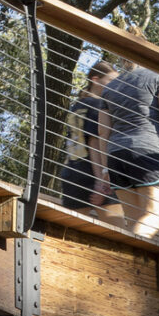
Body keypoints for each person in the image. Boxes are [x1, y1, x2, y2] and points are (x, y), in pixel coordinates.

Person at [98, 59, 159, 235]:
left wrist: (104, 169)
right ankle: (126, 262)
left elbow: (102, 131)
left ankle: (128, 259)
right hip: (146, 152)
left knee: (134, 221)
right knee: (157, 215)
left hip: (115, 156)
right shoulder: (157, 78)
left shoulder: (110, 88)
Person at [58, 61, 116, 212]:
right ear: (95, 80)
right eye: (110, 81)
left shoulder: (77, 106)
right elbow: (94, 142)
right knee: (116, 228)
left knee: (74, 230)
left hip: (72, 173)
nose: (115, 87)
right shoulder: (97, 104)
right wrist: (101, 181)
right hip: (92, 174)